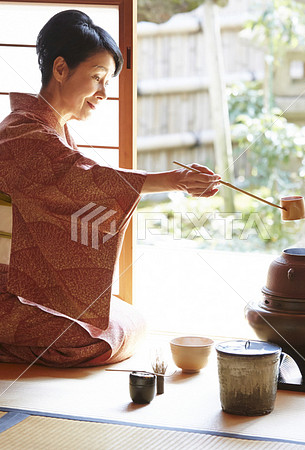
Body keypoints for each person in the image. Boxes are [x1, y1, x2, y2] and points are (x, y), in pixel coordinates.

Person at [0, 10, 220, 368]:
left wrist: (173, 182)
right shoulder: (22, 133)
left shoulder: (49, 127)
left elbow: (79, 187)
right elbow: (84, 179)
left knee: (129, 323)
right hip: (8, 288)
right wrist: (173, 180)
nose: (104, 93)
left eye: (107, 81)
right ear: (60, 69)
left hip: (25, 283)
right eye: (97, 77)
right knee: (90, 341)